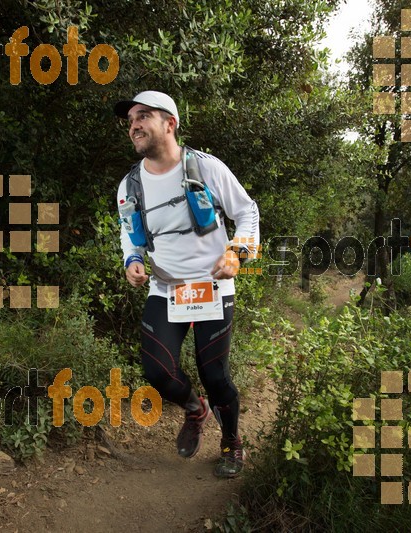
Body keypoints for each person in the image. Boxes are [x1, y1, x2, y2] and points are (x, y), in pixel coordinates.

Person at [114, 91, 259, 478]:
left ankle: (231, 441)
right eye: (130, 120)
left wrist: (236, 254)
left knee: (216, 376)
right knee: (157, 371)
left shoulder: (205, 168)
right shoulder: (129, 185)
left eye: (143, 116)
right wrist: (132, 259)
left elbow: (247, 211)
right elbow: (130, 233)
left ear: (170, 123)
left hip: (213, 288)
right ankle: (196, 410)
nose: (134, 126)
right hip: (165, 289)